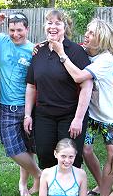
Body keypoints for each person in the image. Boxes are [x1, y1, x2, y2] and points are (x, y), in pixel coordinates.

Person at [52, 18, 113, 196]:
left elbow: (79, 76)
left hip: (108, 117)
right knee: (85, 150)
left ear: (102, 38)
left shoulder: (106, 58)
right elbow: (64, 41)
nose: (86, 35)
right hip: (90, 114)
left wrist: (62, 55)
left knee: (111, 155)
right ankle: (101, 184)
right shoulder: (83, 51)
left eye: (92, 33)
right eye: (87, 31)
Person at [0, 12, 41, 196]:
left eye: (19, 30)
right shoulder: (2, 41)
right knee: (12, 148)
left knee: (27, 147)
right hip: (6, 106)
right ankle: (39, 175)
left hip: (28, 106)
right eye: (12, 30)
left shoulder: (33, 50)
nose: (15, 34)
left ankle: (23, 183)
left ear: (27, 29)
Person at [24, 9, 92, 170]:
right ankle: (51, 191)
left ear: (65, 27)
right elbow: (31, 86)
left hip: (69, 116)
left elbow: (86, 87)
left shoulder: (76, 51)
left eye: (57, 23)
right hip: (44, 115)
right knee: (45, 154)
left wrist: (78, 119)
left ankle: (72, 193)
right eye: (49, 23)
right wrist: (27, 114)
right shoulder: (38, 51)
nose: (53, 27)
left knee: (70, 157)